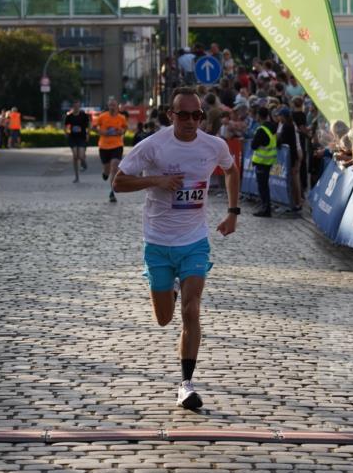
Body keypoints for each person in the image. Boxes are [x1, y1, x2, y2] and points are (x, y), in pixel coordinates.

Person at [112, 87, 240, 411]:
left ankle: (186, 384)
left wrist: (233, 212)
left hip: (194, 241)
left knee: (192, 309)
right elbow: (118, 181)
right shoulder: (154, 146)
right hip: (157, 242)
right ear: (171, 115)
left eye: (196, 115)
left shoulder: (214, 145)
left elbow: (231, 170)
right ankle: (167, 290)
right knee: (164, 318)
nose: (190, 121)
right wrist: (154, 180)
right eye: (183, 114)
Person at [96, 96, 127, 203]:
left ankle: (112, 192)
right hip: (104, 146)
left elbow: (125, 128)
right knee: (107, 169)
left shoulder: (121, 117)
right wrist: (101, 132)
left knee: (114, 167)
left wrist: (121, 131)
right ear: (108, 106)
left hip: (117, 145)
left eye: (114, 105)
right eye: (110, 105)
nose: (112, 107)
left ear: (117, 106)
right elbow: (94, 127)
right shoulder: (102, 117)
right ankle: (105, 173)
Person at [250, 105, 277, 217]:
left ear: (259, 116)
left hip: (262, 162)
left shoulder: (261, 129)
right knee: (264, 186)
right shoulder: (273, 127)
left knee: (262, 187)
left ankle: (265, 209)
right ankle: (266, 208)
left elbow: (254, 145)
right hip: (269, 161)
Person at [64, 99, 90, 182]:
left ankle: (83, 163)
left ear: (79, 106)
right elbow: (65, 126)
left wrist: (87, 134)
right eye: (75, 105)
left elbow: (88, 125)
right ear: (73, 106)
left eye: (77, 105)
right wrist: (66, 133)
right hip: (73, 137)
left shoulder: (83, 115)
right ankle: (77, 177)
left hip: (81, 137)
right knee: (75, 156)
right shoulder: (69, 116)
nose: (76, 107)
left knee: (81, 156)